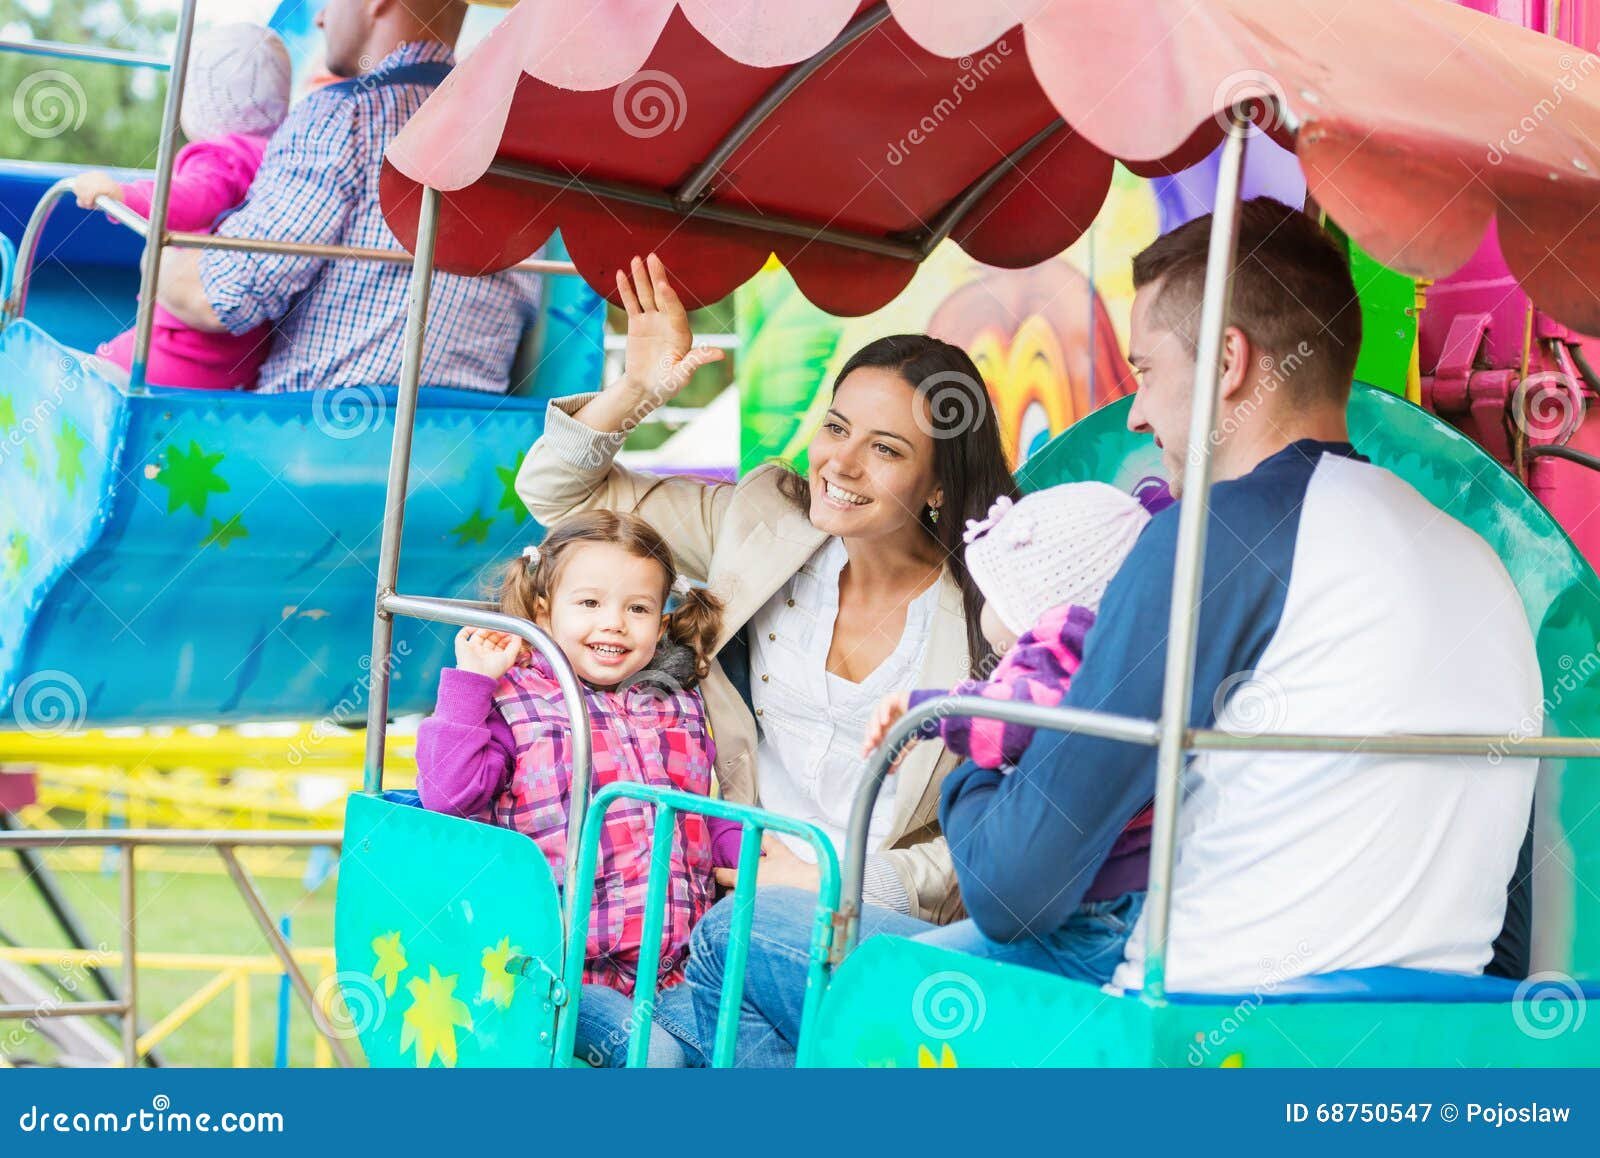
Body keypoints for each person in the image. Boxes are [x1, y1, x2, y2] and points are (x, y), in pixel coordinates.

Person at [680, 197, 1543, 1065]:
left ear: (1228, 364)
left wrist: (973, 745)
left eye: (1146, 372)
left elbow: (1013, 890)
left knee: (734, 940)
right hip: (1427, 1044)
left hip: (1172, 1037)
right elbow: (1509, 933)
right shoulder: (1480, 564)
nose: (1136, 414)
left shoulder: (1214, 536)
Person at [514, 253, 1018, 1062]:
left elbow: (1008, 824)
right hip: (722, 902)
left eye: (885, 450)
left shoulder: (992, 616)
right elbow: (559, 498)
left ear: (936, 484)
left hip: (872, 930)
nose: (840, 464)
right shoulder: (762, 522)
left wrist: (839, 884)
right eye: (836, 427)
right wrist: (637, 388)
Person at [415, 510, 733, 1043]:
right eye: (589, 603)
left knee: (744, 1042)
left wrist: (744, 851)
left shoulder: (676, 702)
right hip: (559, 975)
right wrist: (471, 686)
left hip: (674, 965)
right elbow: (447, 795)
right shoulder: (514, 699)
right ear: (543, 612)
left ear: (660, 621)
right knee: (655, 1056)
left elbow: (702, 813)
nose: (613, 622)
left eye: (637, 608)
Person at [155, 0, 538, 394]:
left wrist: (160, 255)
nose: (320, 17)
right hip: (478, 431)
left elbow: (217, 296)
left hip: (312, 430)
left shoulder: (344, 115)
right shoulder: (517, 144)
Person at [73, 23, 291, 389]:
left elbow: (192, 198)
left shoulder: (220, 157)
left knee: (88, 377)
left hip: (185, 350)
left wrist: (124, 196)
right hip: (242, 353)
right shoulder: (278, 158)